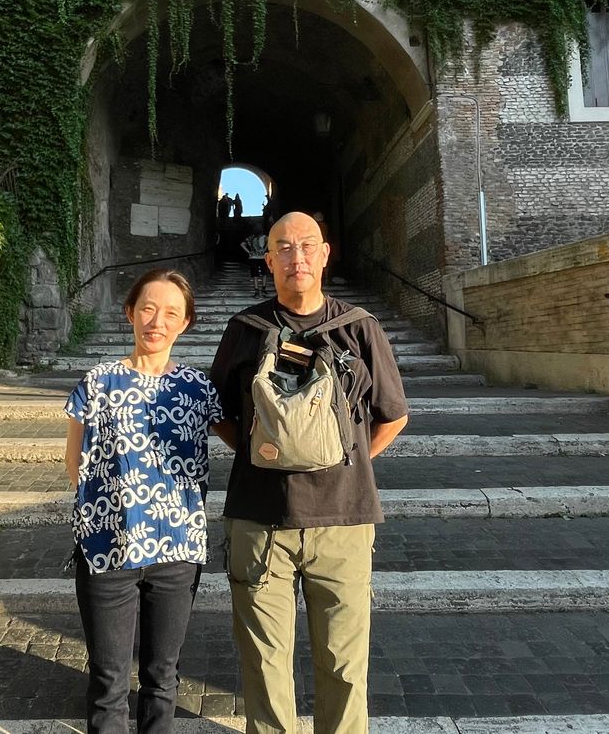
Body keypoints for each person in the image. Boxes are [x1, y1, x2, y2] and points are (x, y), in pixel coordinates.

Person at [210, 212, 409, 734]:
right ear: (267, 259)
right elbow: (219, 413)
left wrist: (343, 459)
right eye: (283, 247)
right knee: (264, 664)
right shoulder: (244, 329)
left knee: (344, 665)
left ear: (324, 255)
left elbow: (394, 415)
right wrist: (266, 453)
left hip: (343, 520)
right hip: (259, 521)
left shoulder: (360, 327)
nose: (295, 256)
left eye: (306, 246)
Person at [65, 268, 223, 734]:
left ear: (186, 323)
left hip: (177, 550)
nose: (157, 321)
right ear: (130, 312)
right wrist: (112, 506)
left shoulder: (199, 388)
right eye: (148, 309)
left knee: (162, 677)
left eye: (171, 313)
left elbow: (250, 435)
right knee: (108, 680)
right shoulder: (98, 382)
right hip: (108, 548)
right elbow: (74, 462)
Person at [240, 226, 269, 297]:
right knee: (264, 273)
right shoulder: (265, 237)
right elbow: (270, 241)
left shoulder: (250, 238)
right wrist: (265, 249)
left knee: (255, 275)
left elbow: (242, 244)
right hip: (262, 257)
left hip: (253, 258)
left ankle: (256, 290)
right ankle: (263, 288)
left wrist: (249, 252)